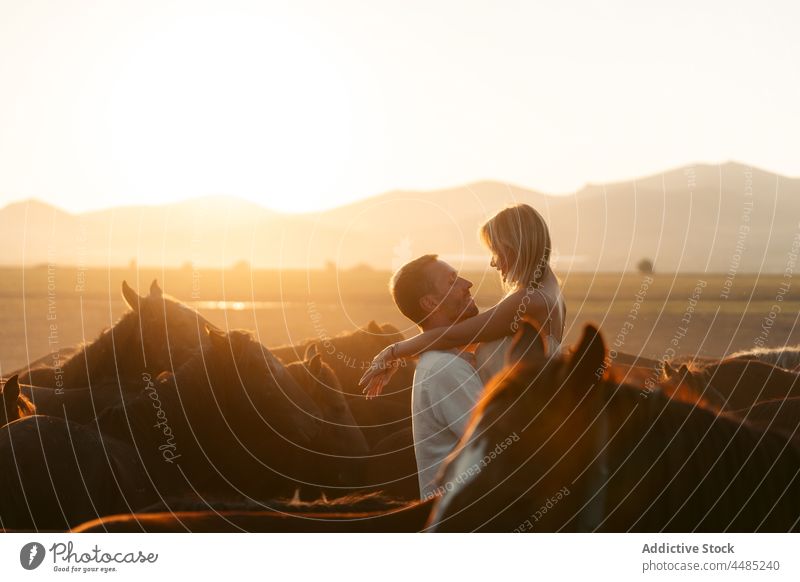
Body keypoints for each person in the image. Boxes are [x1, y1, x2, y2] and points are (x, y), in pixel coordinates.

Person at [360, 203, 566, 395]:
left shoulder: (530, 301)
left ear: (513, 249)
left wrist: (392, 352)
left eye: (495, 252)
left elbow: (452, 336)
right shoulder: (549, 293)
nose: (494, 263)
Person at [387, 254, 484, 498]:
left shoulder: (443, 362)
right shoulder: (445, 369)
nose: (467, 283)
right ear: (430, 303)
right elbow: (499, 446)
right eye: (452, 281)